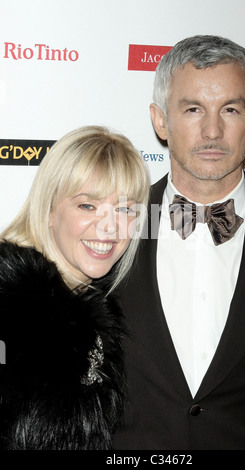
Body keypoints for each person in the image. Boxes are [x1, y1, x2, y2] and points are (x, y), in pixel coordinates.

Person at [112, 35, 245, 450]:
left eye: (230, 109)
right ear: (161, 120)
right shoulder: (112, 225)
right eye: (193, 109)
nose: (212, 130)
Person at [0, 125, 149, 450]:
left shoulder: (99, 311)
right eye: (88, 206)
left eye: (124, 210)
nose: (110, 227)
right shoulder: (7, 304)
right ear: (49, 210)